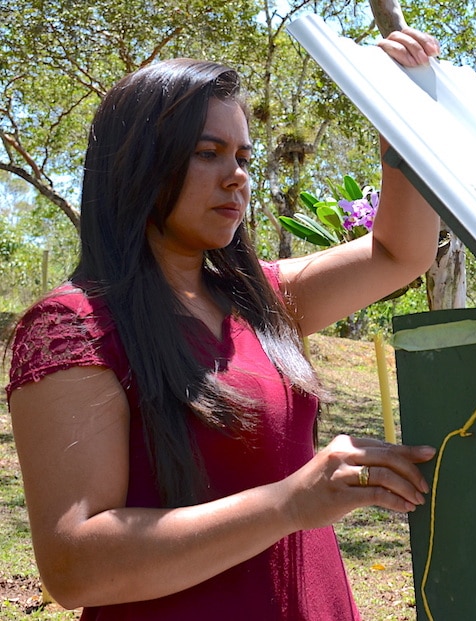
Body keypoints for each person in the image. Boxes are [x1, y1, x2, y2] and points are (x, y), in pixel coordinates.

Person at [5, 26, 440, 621]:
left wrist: (403, 122)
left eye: (242, 157)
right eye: (207, 153)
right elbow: (76, 566)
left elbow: (400, 253)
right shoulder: (72, 327)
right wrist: (290, 503)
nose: (236, 176)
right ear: (138, 163)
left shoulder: (260, 297)